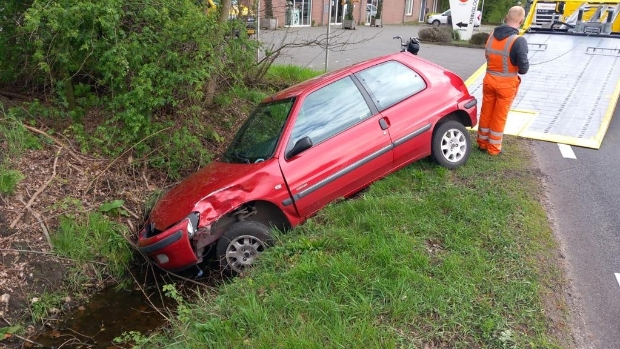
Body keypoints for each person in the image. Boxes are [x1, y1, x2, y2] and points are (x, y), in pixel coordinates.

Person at [477, 6, 529, 156]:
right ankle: (493, 149)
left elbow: (487, 55)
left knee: (486, 112)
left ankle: (482, 143)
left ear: (506, 17)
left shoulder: (492, 35)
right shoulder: (519, 41)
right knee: (499, 116)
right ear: (521, 20)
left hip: (489, 79)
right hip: (506, 84)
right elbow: (523, 69)